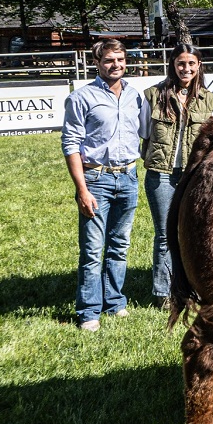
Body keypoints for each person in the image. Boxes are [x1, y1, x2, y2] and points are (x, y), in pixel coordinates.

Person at [61, 39, 145, 331]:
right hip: (96, 178)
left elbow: (145, 134)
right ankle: (89, 311)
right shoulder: (81, 97)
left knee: (119, 246)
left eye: (120, 59)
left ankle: (115, 302)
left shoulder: (136, 96)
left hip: (129, 177)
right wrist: (81, 189)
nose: (116, 65)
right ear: (96, 63)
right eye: (109, 60)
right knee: (93, 249)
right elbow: (70, 144)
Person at [139, 44, 213, 309]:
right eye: (181, 63)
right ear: (172, 64)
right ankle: (163, 293)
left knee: (193, 233)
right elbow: (144, 133)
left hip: (193, 175)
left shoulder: (208, 99)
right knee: (165, 234)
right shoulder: (153, 95)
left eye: (191, 64)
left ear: (199, 66)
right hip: (161, 174)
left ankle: (190, 288)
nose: (186, 69)